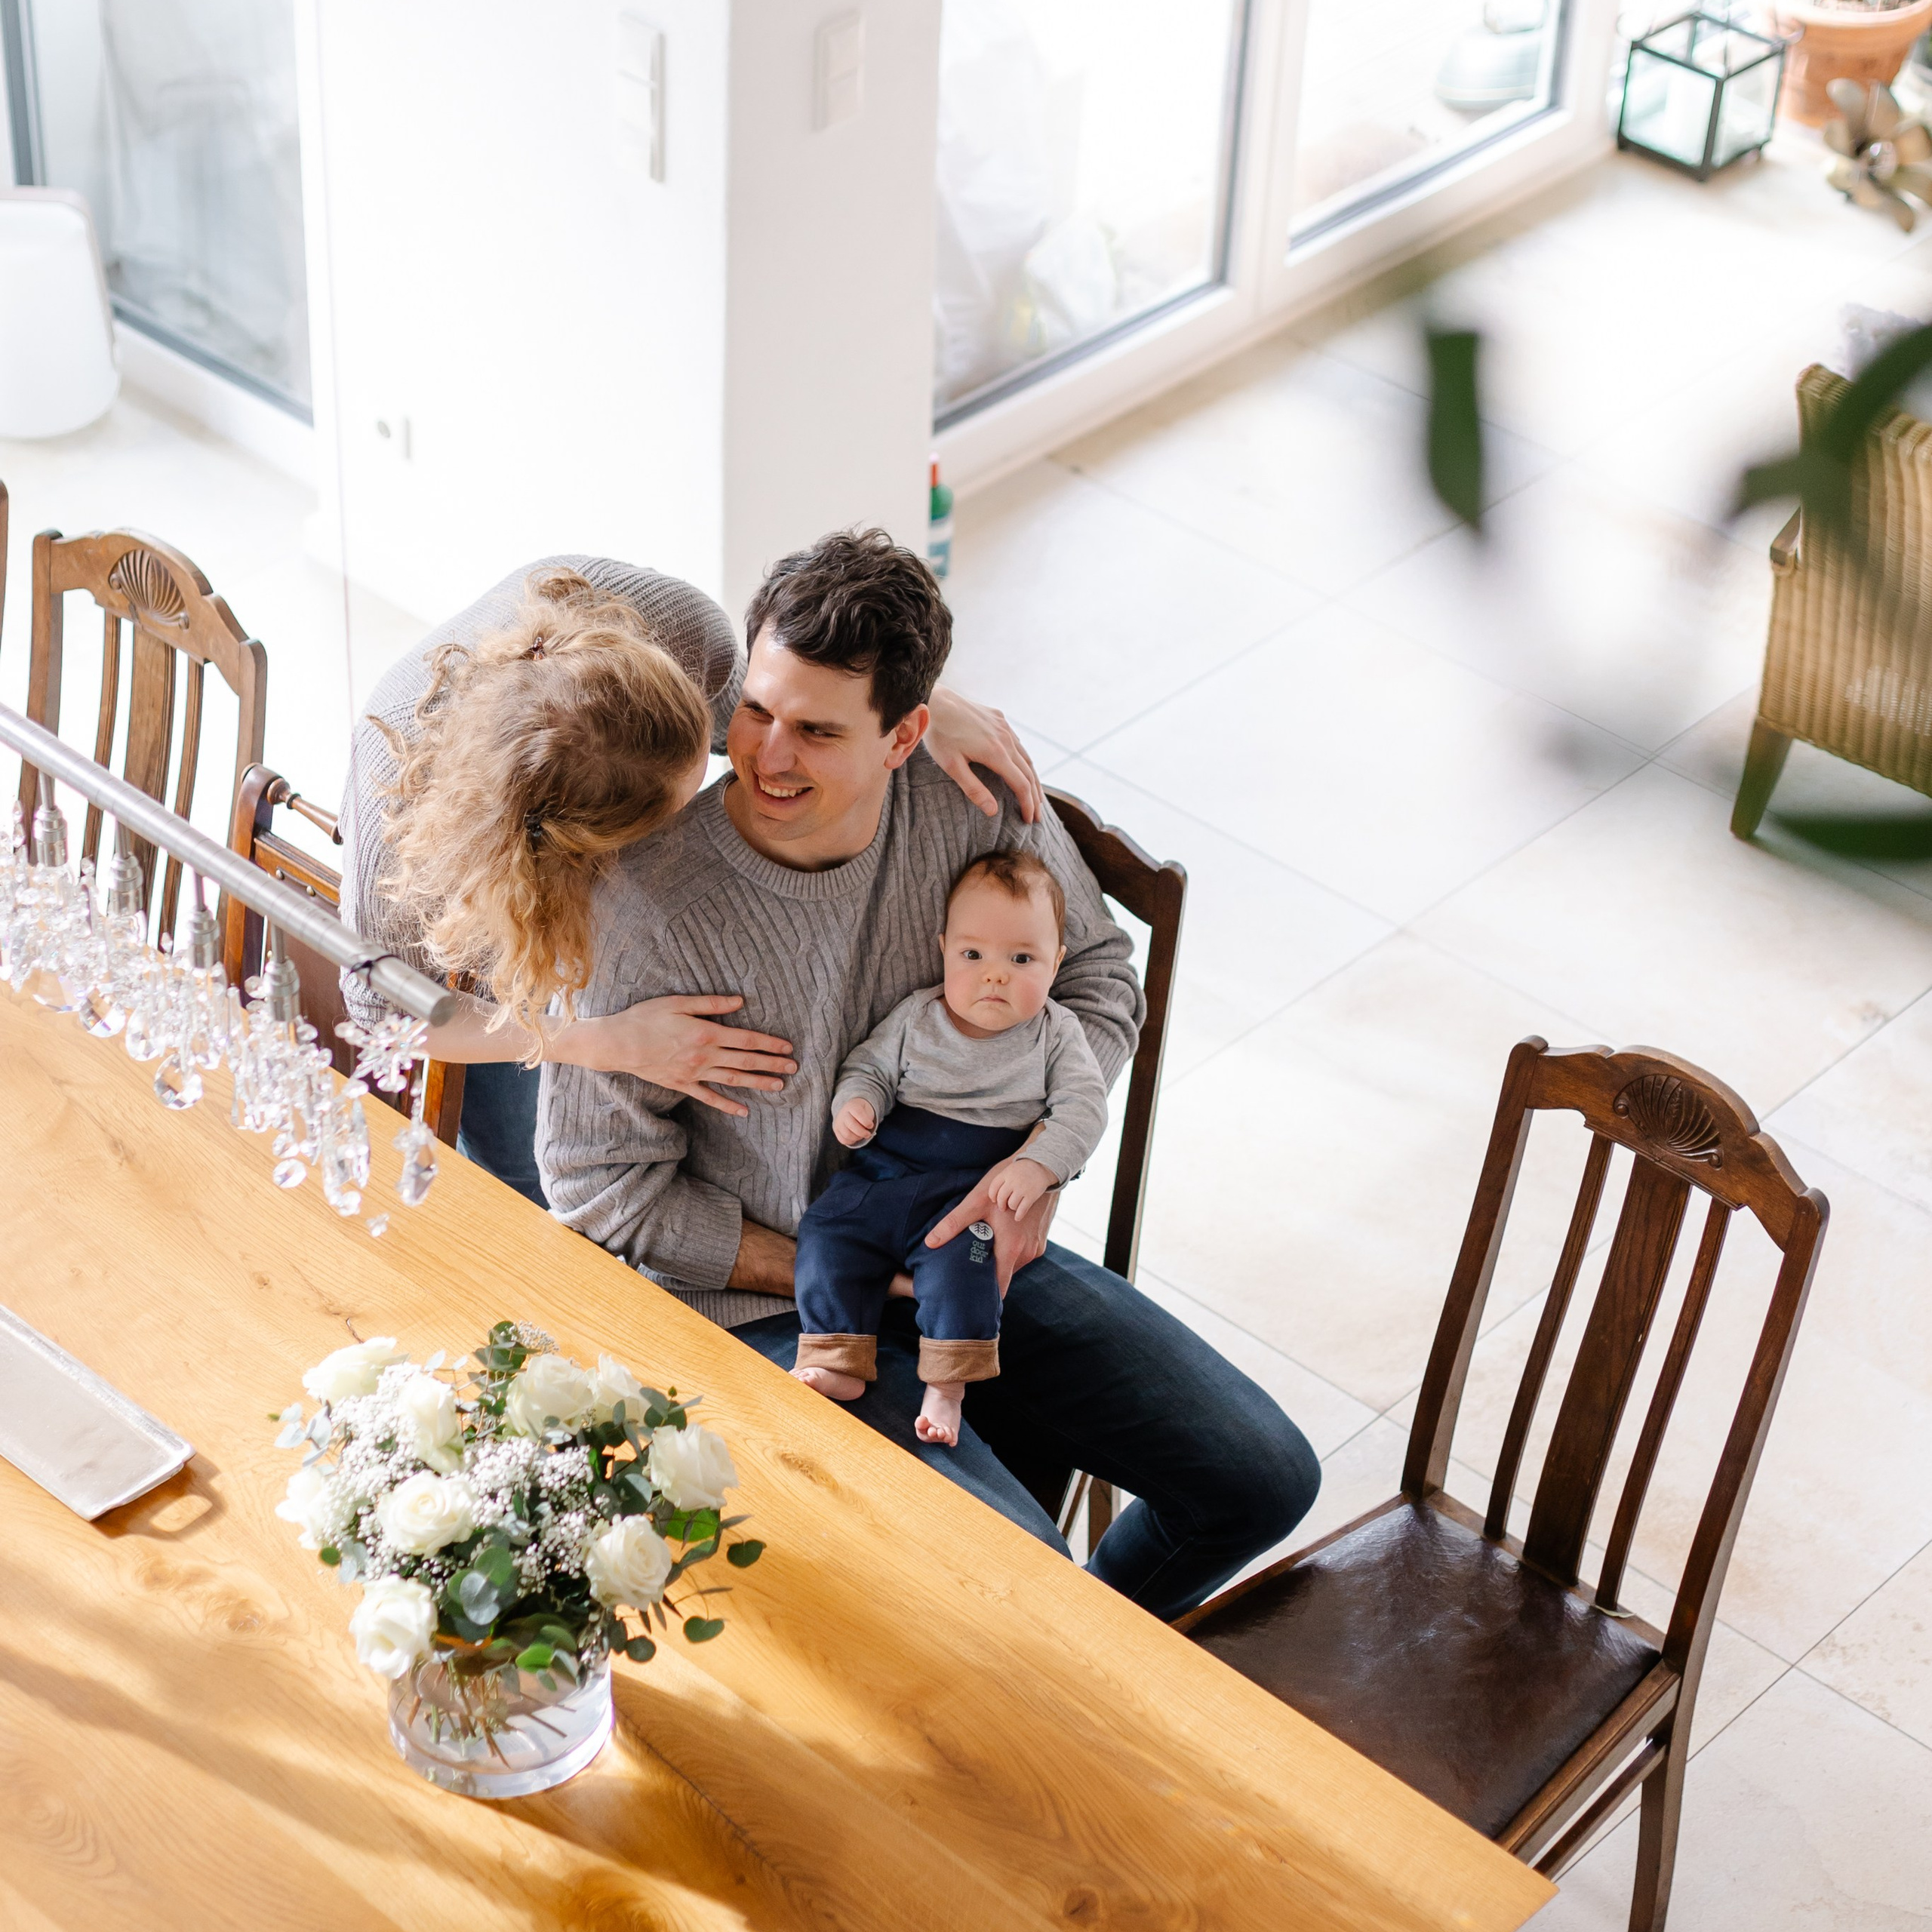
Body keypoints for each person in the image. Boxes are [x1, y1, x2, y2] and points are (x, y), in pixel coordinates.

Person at [539, 529, 1319, 1623]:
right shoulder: (649, 906)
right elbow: (597, 1189)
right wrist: (830, 1264)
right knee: (1029, 1585)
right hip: (766, 1307)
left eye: (818, 731)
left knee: (1261, 1478)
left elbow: (1097, 977)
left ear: (907, 732)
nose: (767, 758)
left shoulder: (965, 801)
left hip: (963, 1235)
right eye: (755, 711)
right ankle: (1059, 1651)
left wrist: (1034, 1167)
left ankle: (1081, 1659)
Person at [337, 554, 1044, 1206]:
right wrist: (592, 1039)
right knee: (520, 1174)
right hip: (463, 925)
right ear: (571, 850)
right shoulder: (398, 804)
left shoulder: (684, 634)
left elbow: (797, 702)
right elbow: (383, 1018)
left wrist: (920, 708)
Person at [793, 848, 1109, 1448]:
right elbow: (869, 1068)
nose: (995, 975)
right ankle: (836, 1355)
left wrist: (1037, 1166)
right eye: (973, 955)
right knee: (827, 1232)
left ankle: (946, 1383)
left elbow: (1083, 1109)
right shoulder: (917, 1015)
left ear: (1057, 963)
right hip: (882, 1174)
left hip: (972, 1189)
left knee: (969, 1268)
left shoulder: (1055, 1035)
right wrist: (856, 1104)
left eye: (1022, 959)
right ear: (943, 949)